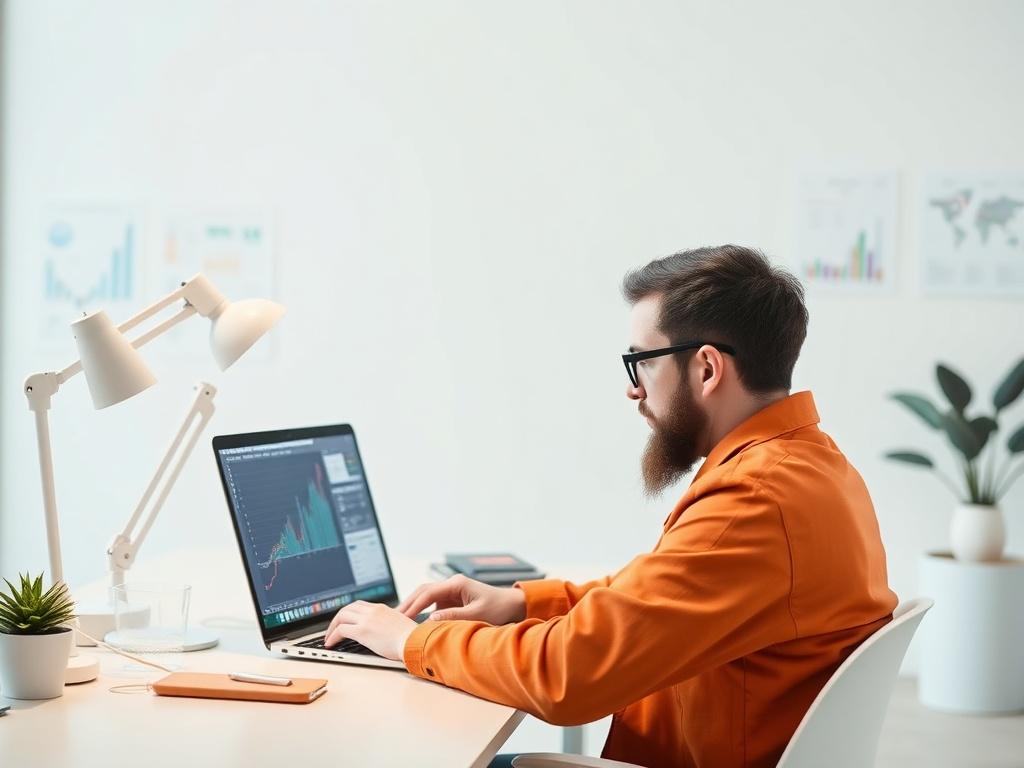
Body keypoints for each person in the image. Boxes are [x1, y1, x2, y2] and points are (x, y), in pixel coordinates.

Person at [324, 245, 898, 768]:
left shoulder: (755, 498)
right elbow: (652, 600)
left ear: (706, 368)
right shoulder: (811, 464)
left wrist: (409, 641)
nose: (633, 389)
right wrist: (522, 602)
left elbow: (568, 678)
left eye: (641, 362)